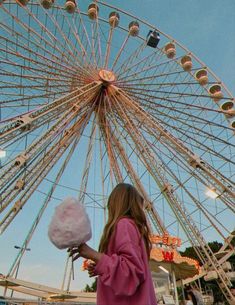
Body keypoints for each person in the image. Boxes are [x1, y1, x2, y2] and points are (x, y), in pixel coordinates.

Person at [68, 183, 157, 305]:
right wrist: (102, 266)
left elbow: (130, 274)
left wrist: (93, 254)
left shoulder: (124, 225)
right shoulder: (134, 229)